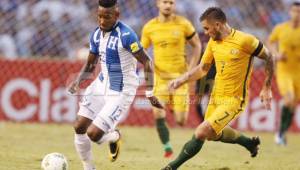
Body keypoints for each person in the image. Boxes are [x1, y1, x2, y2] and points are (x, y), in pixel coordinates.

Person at [162, 7, 274, 170]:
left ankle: (171, 167)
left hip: (234, 100)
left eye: (207, 28)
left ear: (218, 24)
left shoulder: (245, 40)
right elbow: (203, 68)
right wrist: (181, 80)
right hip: (216, 97)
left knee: (201, 131)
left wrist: (267, 86)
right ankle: (249, 143)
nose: (206, 33)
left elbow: (269, 56)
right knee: (212, 135)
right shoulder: (213, 43)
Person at [68, 0, 163, 170]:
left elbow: (147, 62)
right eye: (100, 17)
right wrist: (78, 81)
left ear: (116, 15)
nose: (103, 21)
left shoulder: (126, 35)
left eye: (107, 17)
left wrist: (150, 92)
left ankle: (114, 136)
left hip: (121, 90)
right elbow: (90, 64)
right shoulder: (96, 34)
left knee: (94, 134)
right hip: (101, 84)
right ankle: (89, 168)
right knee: (79, 127)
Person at [140, 0, 202, 158]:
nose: (168, 5)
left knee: (181, 121)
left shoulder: (183, 24)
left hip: (180, 79)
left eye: (171, 2)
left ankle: (174, 107)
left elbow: (197, 45)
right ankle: (167, 148)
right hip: (160, 79)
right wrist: (146, 68)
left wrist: (191, 70)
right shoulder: (149, 27)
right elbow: (142, 51)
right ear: (157, 4)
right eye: (164, 2)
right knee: (158, 114)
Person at [268, 1, 300, 146]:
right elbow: (271, 42)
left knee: (293, 104)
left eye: (299, 12)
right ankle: (280, 134)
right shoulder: (280, 28)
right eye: (294, 11)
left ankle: (281, 133)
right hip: (284, 72)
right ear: (290, 12)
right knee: (289, 99)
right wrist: (276, 54)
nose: (296, 14)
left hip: (298, 73)